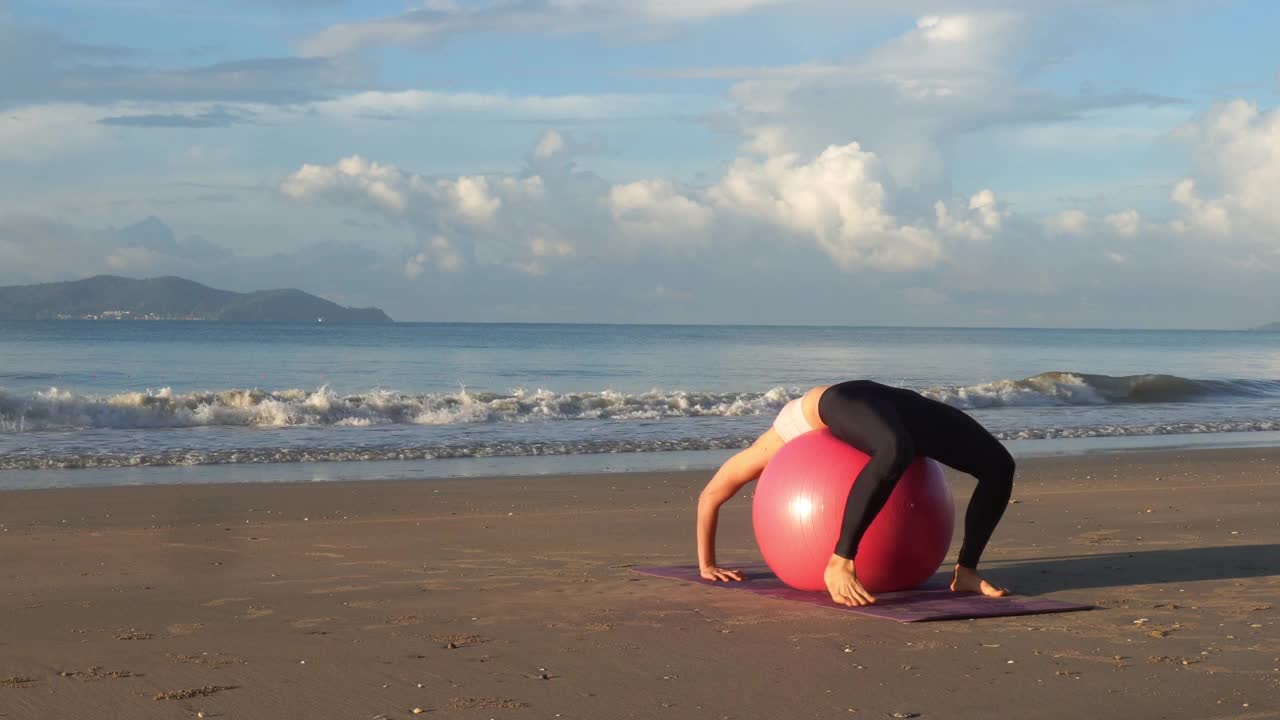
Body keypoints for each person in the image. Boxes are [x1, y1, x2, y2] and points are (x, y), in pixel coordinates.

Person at [696, 380, 1015, 607]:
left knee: (1000, 466)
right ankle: (840, 561)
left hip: (892, 403)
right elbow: (711, 494)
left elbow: (710, 496)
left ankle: (967, 572)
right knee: (894, 450)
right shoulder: (776, 441)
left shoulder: (790, 434)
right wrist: (707, 564)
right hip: (838, 401)